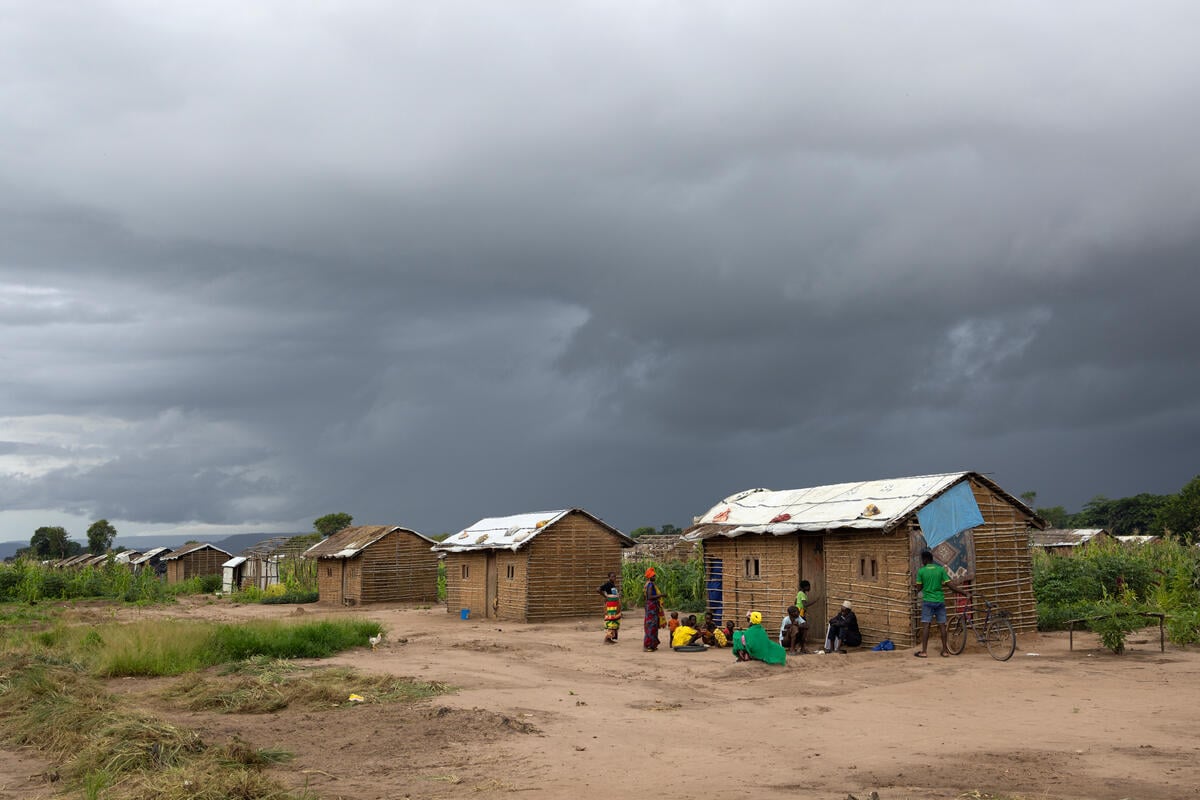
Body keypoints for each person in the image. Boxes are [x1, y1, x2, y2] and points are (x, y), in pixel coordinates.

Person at [914, 550, 968, 658]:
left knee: (926, 625)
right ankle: (944, 651)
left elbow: (919, 588)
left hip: (928, 601)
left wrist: (924, 584)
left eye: (922, 560)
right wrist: (963, 592)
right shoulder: (940, 570)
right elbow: (950, 585)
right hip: (939, 601)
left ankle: (924, 652)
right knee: (942, 625)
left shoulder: (921, 571)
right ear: (932, 559)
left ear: (925, 560)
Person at [643, 567, 664, 652]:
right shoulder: (650, 585)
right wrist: (661, 595)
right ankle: (648, 645)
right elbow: (650, 596)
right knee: (651, 626)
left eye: (654, 576)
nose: (655, 577)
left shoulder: (648, 584)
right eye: (653, 576)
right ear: (650, 577)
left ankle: (652, 644)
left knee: (653, 625)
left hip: (651, 606)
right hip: (651, 607)